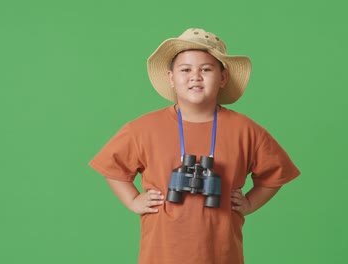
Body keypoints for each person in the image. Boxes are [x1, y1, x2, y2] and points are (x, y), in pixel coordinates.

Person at [89, 28, 300, 264]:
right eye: (186, 69)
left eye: (206, 69)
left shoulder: (245, 129)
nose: (195, 76)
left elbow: (276, 172)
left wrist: (249, 203)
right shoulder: (144, 128)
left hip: (220, 254)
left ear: (223, 78)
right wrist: (133, 200)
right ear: (171, 77)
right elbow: (111, 166)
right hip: (162, 253)